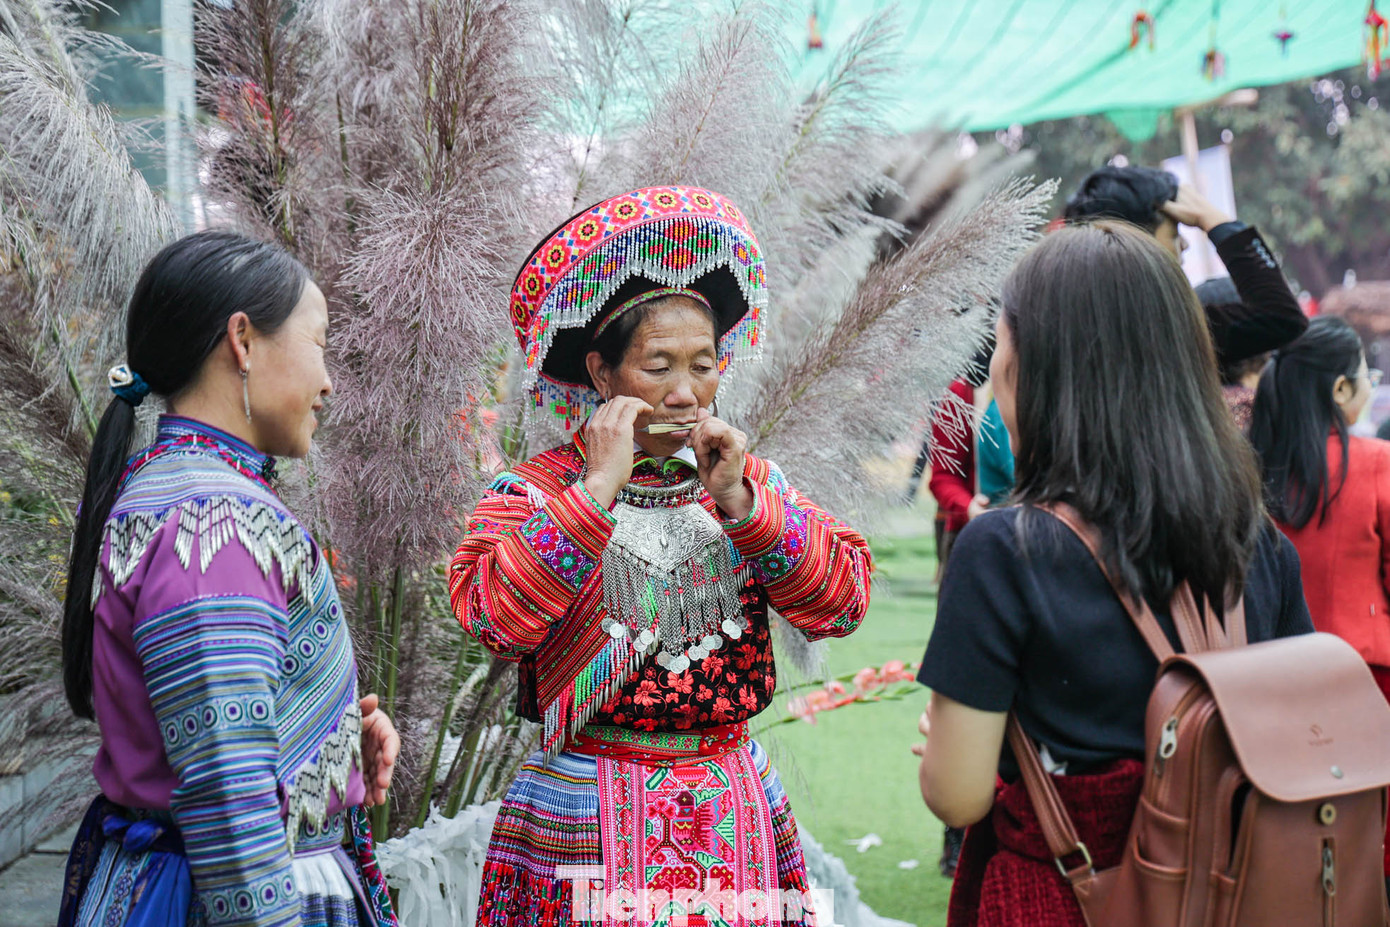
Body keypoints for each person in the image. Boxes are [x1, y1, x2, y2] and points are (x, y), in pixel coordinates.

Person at [450, 187, 872, 927]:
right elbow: (492, 616)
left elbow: (842, 600)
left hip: (726, 804)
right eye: (658, 366)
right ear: (601, 373)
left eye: (704, 365)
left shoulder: (740, 478)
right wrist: (596, 492)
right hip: (584, 806)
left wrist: (743, 505)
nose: (686, 392)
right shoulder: (536, 489)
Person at [911, 222, 1313, 927]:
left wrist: (959, 739)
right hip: (1230, 895)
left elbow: (957, 794)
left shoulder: (1002, 550)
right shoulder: (1262, 542)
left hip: (1066, 901)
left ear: (1031, 366)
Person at [58, 232, 399, 927]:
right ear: (242, 340)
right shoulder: (215, 526)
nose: (328, 381)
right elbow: (227, 792)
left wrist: (330, 737)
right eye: (319, 342)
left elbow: (212, 731)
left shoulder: (172, 493)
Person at [1248, 315, 1390, 888]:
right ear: (1338, 389)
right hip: (1369, 677)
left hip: (1270, 682)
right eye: (1364, 377)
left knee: (1297, 831)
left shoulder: (1252, 465)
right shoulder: (1377, 462)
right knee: (1372, 840)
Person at [1064, 166, 1307, 368]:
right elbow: (1281, 318)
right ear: (1138, 241)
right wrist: (1214, 220)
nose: (1185, 244)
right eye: (1173, 233)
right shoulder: (1168, 331)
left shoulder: (1061, 328)